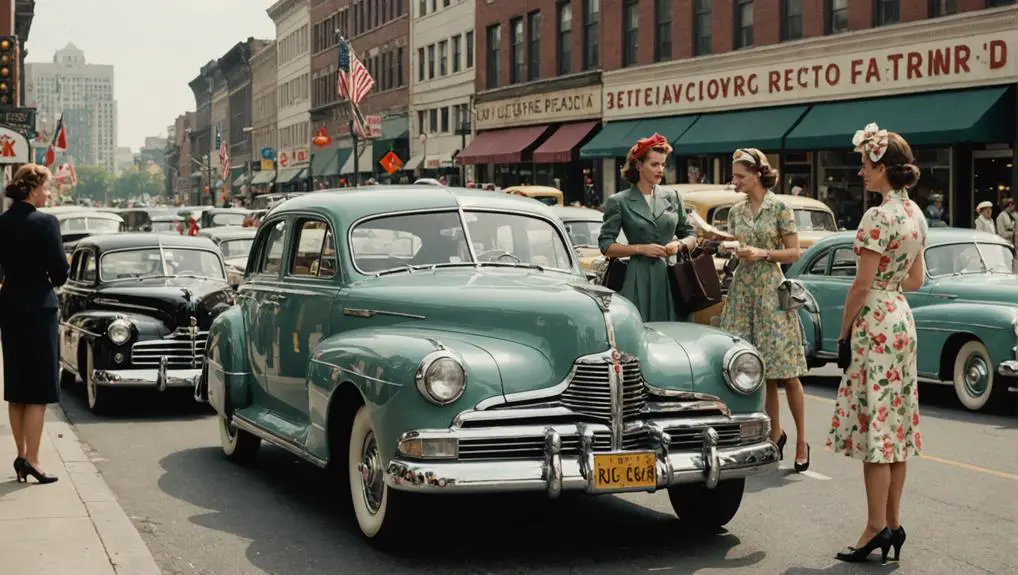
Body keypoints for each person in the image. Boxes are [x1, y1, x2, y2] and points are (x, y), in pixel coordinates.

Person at [829, 123, 926, 563]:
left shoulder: (877, 216)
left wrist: (844, 333)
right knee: (896, 429)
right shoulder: (915, 214)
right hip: (902, 318)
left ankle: (874, 527)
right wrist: (892, 283)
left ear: (882, 167)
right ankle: (893, 522)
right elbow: (917, 279)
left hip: (876, 323)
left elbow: (860, 284)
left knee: (876, 433)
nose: (861, 172)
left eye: (865, 165)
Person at [719, 148, 810, 472]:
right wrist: (727, 247)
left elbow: (794, 252)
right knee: (760, 372)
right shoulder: (736, 210)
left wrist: (761, 253)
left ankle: (801, 440)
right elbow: (732, 245)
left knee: (786, 372)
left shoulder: (779, 206)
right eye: (735, 176)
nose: (736, 182)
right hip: (744, 291)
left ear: (757, 175)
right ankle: (775, 434)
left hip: (771, 291)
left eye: (740, 176)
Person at [0, 164, 68, 484]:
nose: (49, 192)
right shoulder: (46, 223)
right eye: (46, 187)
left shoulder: (2, 223)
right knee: (39, 389)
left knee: (17, 388)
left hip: (10, 307)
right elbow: (60, 275)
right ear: (33, 189)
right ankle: (34, 459)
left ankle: (19, 454)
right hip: (40, 309)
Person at [597, 133, 699, 322]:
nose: (661, 169)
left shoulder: (673, 196)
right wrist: (640, 249)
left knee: (676, 334)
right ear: (638, 165)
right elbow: (606, 245)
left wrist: (679, 244)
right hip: (638, 278)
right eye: (654, 164)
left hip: (672, 278)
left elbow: (691, 235)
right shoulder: (619, 201)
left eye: (663, 164)